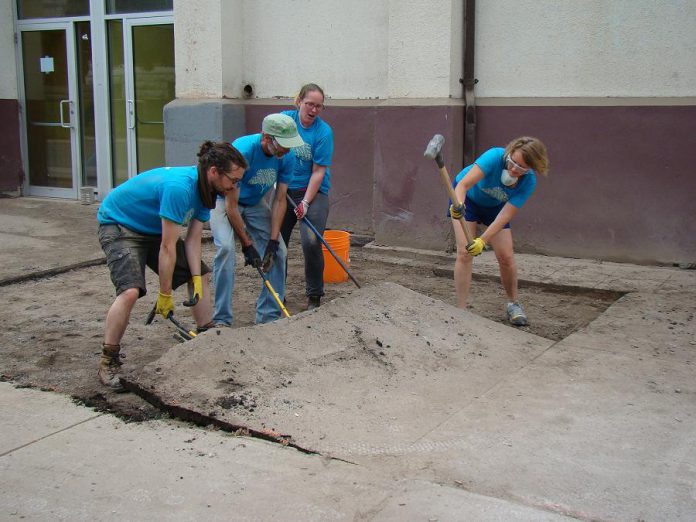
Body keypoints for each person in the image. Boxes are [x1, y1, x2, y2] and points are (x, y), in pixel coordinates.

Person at [96, 141, 247, 389]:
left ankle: (205, 335)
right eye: (233, 179)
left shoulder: (208, 192)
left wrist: (196, 277)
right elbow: (167, 247)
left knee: (203, 274)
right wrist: (165, 294)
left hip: (152, 228)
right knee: (130, 291)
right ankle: (108, 360)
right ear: (213, 172)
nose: (235, 186)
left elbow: (193, 239)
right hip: (120, 225)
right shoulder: (180, 188)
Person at [210, 113, 304, 326]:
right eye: (282, 145)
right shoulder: (243, 151)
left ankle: (269, 317)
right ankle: (222, 319)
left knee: (280, 251)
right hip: (225, 201)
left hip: (254, 202)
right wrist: (247, 245)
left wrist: (272, 240)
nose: (286, 150)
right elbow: (232, 208)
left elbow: (280, 200)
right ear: (266, 137)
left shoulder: (286, 157)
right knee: (225, 248)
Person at [449, 136, 549, 326]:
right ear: (510, 152)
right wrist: (459, 205)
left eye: (521, 168)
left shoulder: (528, 182)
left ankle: (513, 304)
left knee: (506, 257)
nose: (514, 169)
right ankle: (460, 310)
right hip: (466, 199)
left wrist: (482, 241)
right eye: (513, 162)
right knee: (464, 252)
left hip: (495, 208)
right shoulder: (494, 156)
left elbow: (504, 216)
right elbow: (463, 185)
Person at [280, 83, 334, 310]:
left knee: (311, 241)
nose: (313, 110)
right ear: (299, 101)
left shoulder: (323, 132)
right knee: (276, 241)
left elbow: (318, 172)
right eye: (309, 104)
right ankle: (276, 291)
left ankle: (314, 295)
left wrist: (305, 202)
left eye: (318, 106)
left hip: (314, 191)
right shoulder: (285, 121)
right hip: (284, 189)